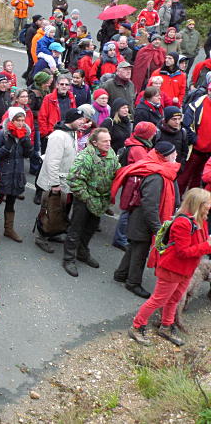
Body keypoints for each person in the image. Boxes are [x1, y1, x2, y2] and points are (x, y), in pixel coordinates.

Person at [128, 188, 211, 346]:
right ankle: (137, 327)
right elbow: (182, 252)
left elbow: (199, 243)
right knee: (158, 300)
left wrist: (206, 244)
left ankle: (166, 326)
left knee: (175, 299)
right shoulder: (182, 222)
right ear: (198, 204)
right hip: (172, 269)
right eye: (207, 202)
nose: (210, 205)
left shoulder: (201, 220)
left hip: (187, 270)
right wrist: (207, 246)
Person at [112, 142, 180, 298]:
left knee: (133, 249)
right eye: (174, 153)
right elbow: (150, 206)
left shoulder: (158, 170)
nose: (176, 156)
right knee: (139, 253)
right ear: (166, 156)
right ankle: (133, 283)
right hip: (142, 221)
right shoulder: (156, 176)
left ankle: (121, 274)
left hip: (139, 219)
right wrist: (158, 229)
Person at [62, 128, 120, 277]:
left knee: (91, 228)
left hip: (100, 200)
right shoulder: (85, 157)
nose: (108, 144)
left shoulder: (111, 154)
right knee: (76, 229)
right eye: (105, 141)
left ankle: (82, 252)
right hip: (84, 200)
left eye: (109, 141)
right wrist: (86, 198)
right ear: (95, 142)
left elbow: (116, 170)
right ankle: (68, 259)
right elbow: (73, 180)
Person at [35, 108, 86, 253]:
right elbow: (52, 162)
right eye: (79, 119)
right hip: (55, 183)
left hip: (65, 182)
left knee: (59, 211)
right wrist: (54, 184)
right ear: (71, 120)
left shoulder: (72, 133)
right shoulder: (58, 136)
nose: (82, 122)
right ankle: (41, 237)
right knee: (48, 210)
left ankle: (52, 233)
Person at [0, 107, 32, 242]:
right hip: (4, 173)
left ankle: (9, 229)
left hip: (17, 173)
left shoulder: (24, 135)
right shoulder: (2, 134)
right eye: (18, 120)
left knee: (11, 203)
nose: (21, 123)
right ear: (11, 120)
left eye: (22, 120)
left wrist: (28, 147)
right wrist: (6, 148)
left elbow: (27, 155)